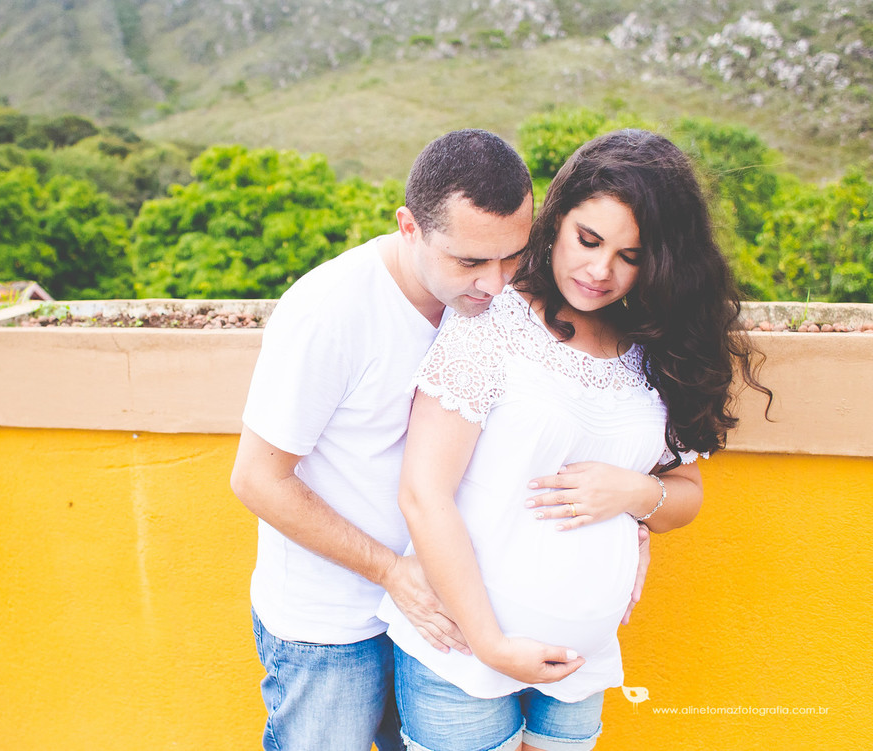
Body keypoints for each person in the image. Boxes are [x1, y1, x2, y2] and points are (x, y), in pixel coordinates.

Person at [232, 129, 646, 751]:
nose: (496, 282)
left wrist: (628, 525)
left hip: (441, 620)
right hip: (331, 622)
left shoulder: (497, 302)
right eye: (470, 262)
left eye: (513, 256)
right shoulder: (330, 312)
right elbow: (257, 479)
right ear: (408, 227)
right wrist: (392, 572)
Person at [378, 129, 769, 751]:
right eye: (587, 240)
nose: (599, 270)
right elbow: (425, 494)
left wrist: (636, 492)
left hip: (578, 665)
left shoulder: (656, 351)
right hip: (464, 653)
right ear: (555, 222)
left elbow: (686, 495)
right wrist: (492, 645)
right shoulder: (491, 320)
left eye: (630, 255)